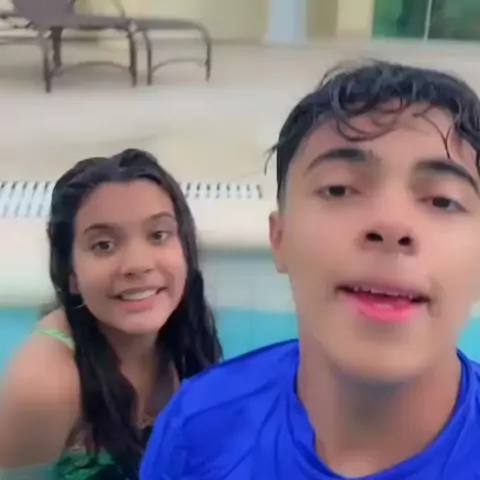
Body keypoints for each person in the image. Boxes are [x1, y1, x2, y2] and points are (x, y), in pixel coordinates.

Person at [140, 61, 480, 479]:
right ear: (280, 238)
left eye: (443, 200)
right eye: (339, 189)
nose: (391, 225)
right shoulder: (198, 428)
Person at [0, 149, 222, 479]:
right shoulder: (48, 387)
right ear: (72, 276)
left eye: (158, 235)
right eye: (103, 245)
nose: (138, 264)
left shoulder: (185, 333)